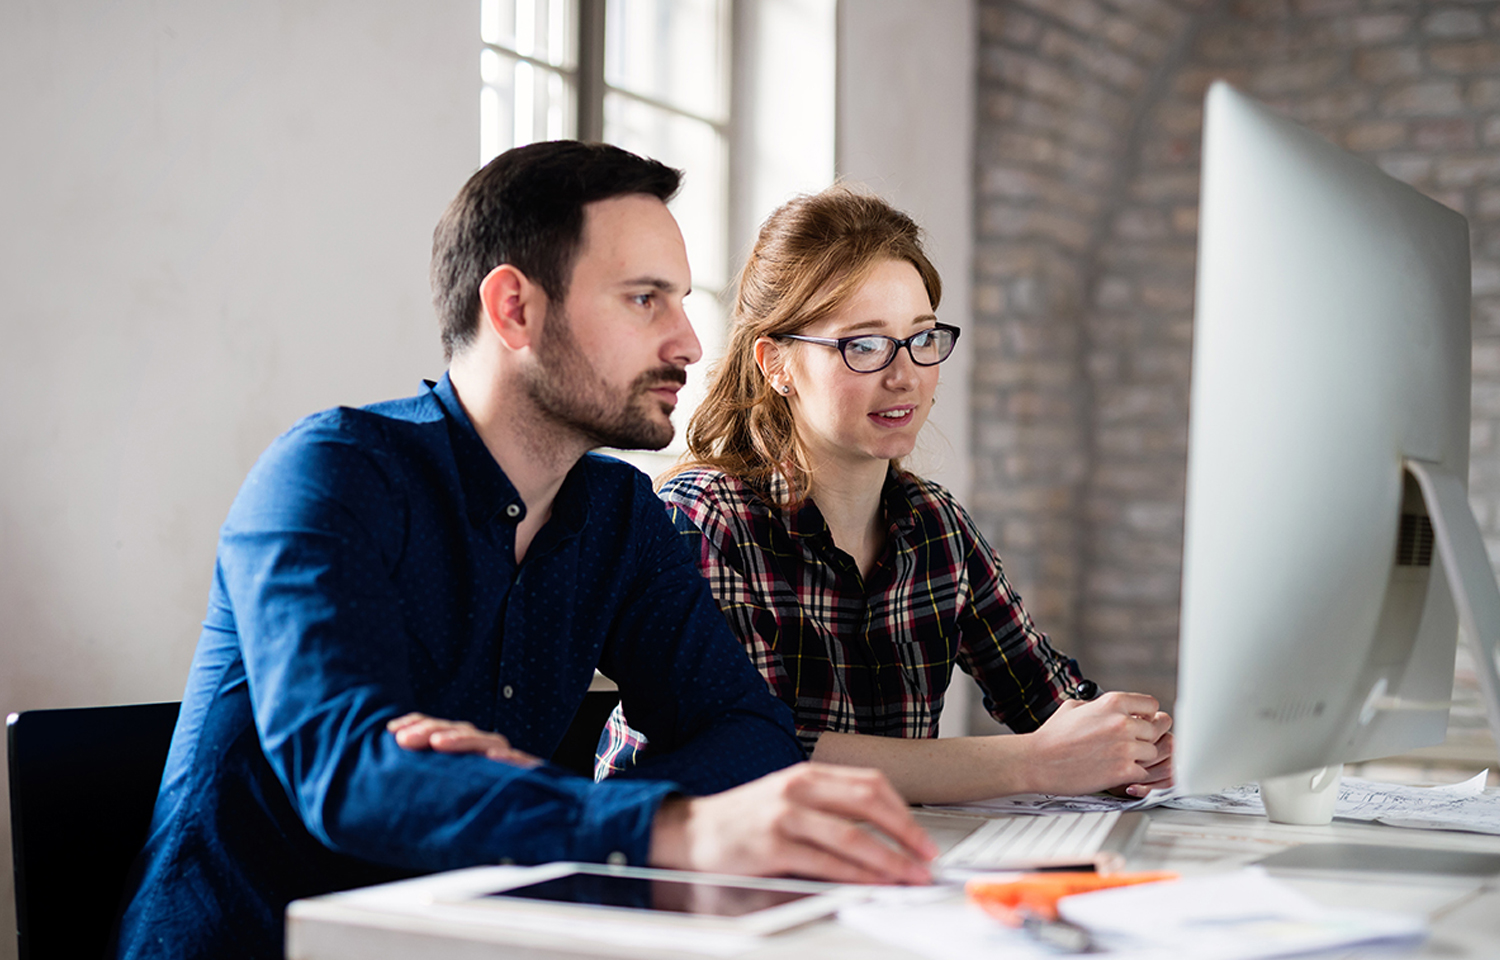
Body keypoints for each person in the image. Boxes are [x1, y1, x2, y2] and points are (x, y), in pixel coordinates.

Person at [113, 144, 934, 960]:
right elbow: (353, 776)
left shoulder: (619, 515)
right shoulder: (330, 475)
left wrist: (534, 800)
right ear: (514, 309)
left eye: (682, 301)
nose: (689, 342)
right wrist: (667, 824)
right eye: (645, 299)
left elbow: (745, 728)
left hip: (479, 941)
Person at [597, 186, 1174, 805]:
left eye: (922, 338)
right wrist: (1033, 763)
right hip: (678, 868)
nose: (905, 376)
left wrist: (1133, 746)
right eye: (863, 345)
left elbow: (1049, 700)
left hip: (871, 865)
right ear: (777, 364)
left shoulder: (936, 526)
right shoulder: (703, 520)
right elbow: (765, 752)